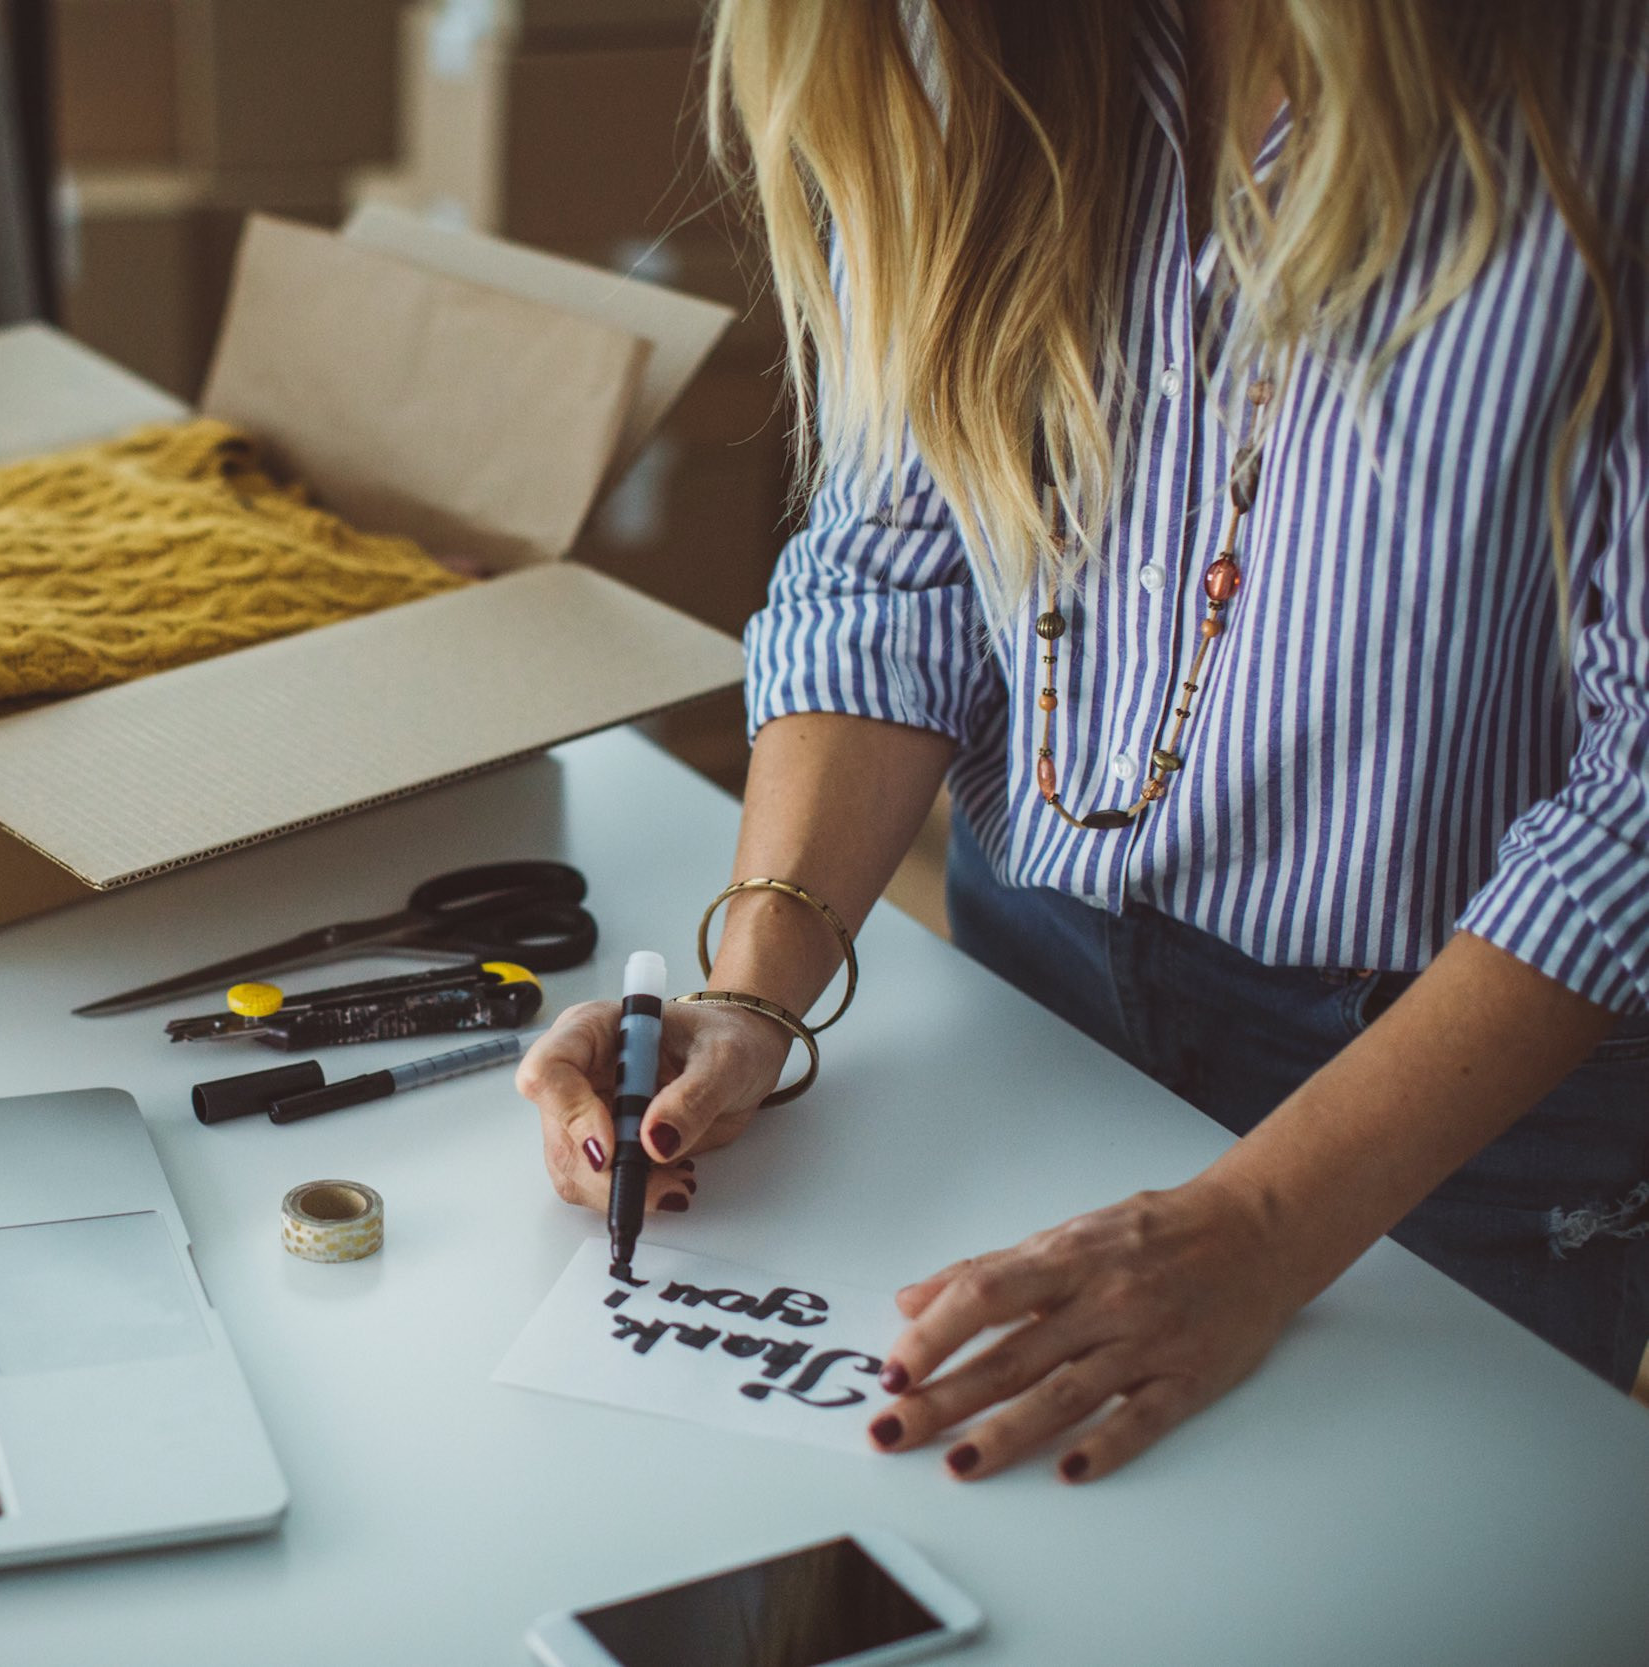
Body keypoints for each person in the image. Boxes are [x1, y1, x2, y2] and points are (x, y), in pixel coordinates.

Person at [518, 0, 1649, 1485]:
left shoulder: (1604, 104)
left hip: (1454, 1089)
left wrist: (1260, 1225)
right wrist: (751, 999)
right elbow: (894, 567)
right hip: (1034, 968)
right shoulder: (960, 43)